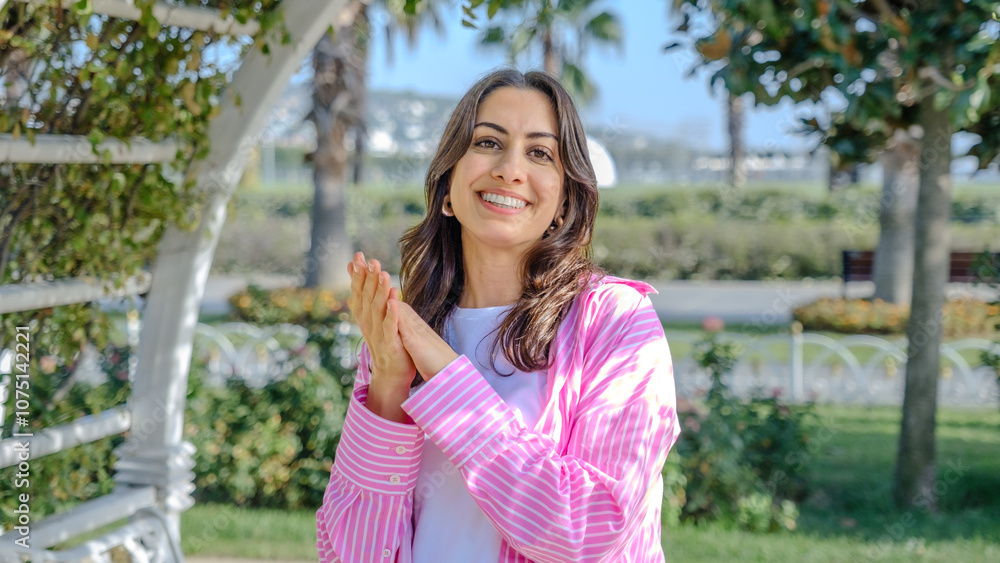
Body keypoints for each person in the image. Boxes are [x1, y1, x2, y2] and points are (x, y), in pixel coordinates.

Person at [316, 68, 679, 563]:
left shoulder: (616, 322)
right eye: (488, 142)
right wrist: (387, 389)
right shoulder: (402, 332)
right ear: (447, 186)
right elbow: (347, 553)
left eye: (539, 153)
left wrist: (446, 379)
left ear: (565, 198)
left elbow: (589, 530)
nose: (510, 169)